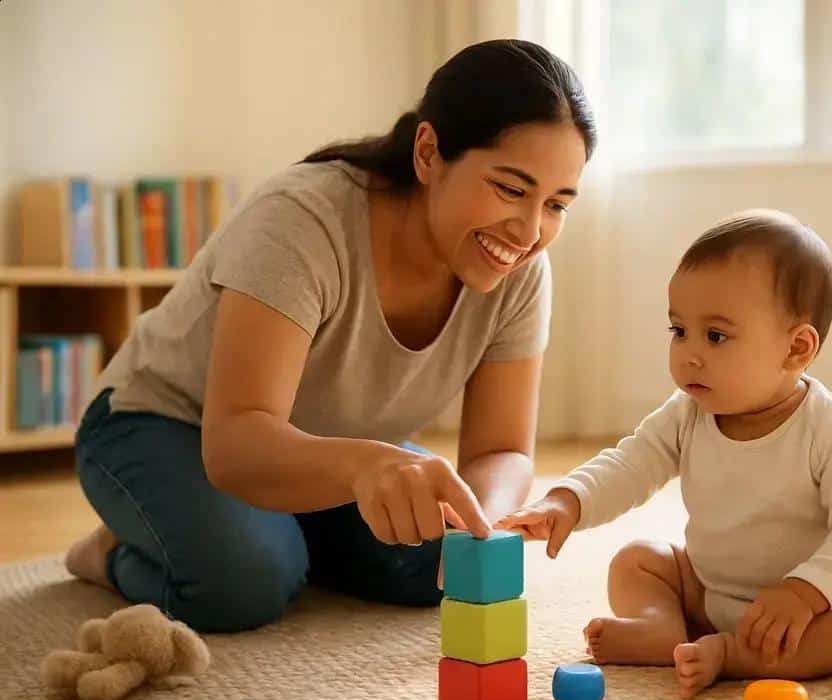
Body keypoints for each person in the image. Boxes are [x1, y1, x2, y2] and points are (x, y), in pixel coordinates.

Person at [64, 39, 595, 633]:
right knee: (244, 583)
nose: (528, 230)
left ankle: (278, 532)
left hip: (325, 452)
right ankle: (109, 553)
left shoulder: (521, 269)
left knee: (435, 565)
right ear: (428, 153)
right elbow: (237, 440)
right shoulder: (303, 219)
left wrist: (480, 530)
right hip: (165, 425)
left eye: (556, 204)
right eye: (511, 188)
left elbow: (502, 450)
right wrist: (366, 468)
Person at [498, 210, 832, 698]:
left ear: (795, 349)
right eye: (678, 330)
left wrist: (804, 591)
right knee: (637, 561)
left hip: (811, 609)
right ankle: (661, 628)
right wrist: (567, 501)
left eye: (715, 336)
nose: (688, 353)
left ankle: (733, 656)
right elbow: (630, 464)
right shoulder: (688, 413)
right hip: (710, 592)